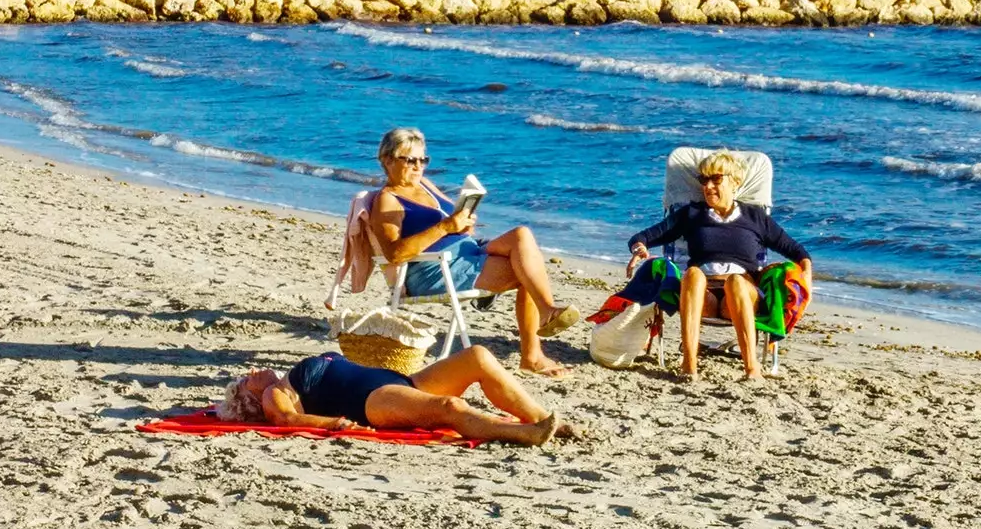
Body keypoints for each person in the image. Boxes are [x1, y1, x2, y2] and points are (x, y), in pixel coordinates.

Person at [369, 127, 579, 377]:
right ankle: (533, 352)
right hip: (436, 269)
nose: (418, 166)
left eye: (423, 159)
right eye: (410, 160)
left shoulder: (423, 184)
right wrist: (446, 226)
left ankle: (545, 314)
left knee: (522, 235)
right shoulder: (387, 200)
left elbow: (445, 222)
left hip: (466, 251)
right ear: (387, 160)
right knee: (527, 270)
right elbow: (395, 253)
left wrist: (462, 222)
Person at [626, 150, 812, 381]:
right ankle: (689, 365)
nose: (708, 186)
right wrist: (639, 249)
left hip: (743, 294)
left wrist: (806, 278)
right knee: (692, 273)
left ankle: (752, 369)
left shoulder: (755, 218)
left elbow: (798, 252)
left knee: (736, 281)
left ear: (735, 182)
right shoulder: (691, 214)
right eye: (704, 180)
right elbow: (643, 236)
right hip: (704, 295)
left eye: (716, 179)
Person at [217, 346, 576, 446]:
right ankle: (524, 434)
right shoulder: (276, 395)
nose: (251, 373)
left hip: (402, 381)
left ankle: (539, 418)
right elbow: (287, 420)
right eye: (244, 381)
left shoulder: (280, 380)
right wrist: (339, 424)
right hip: (371, 400)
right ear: (249, 400)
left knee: (478, 357)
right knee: (448, 407)